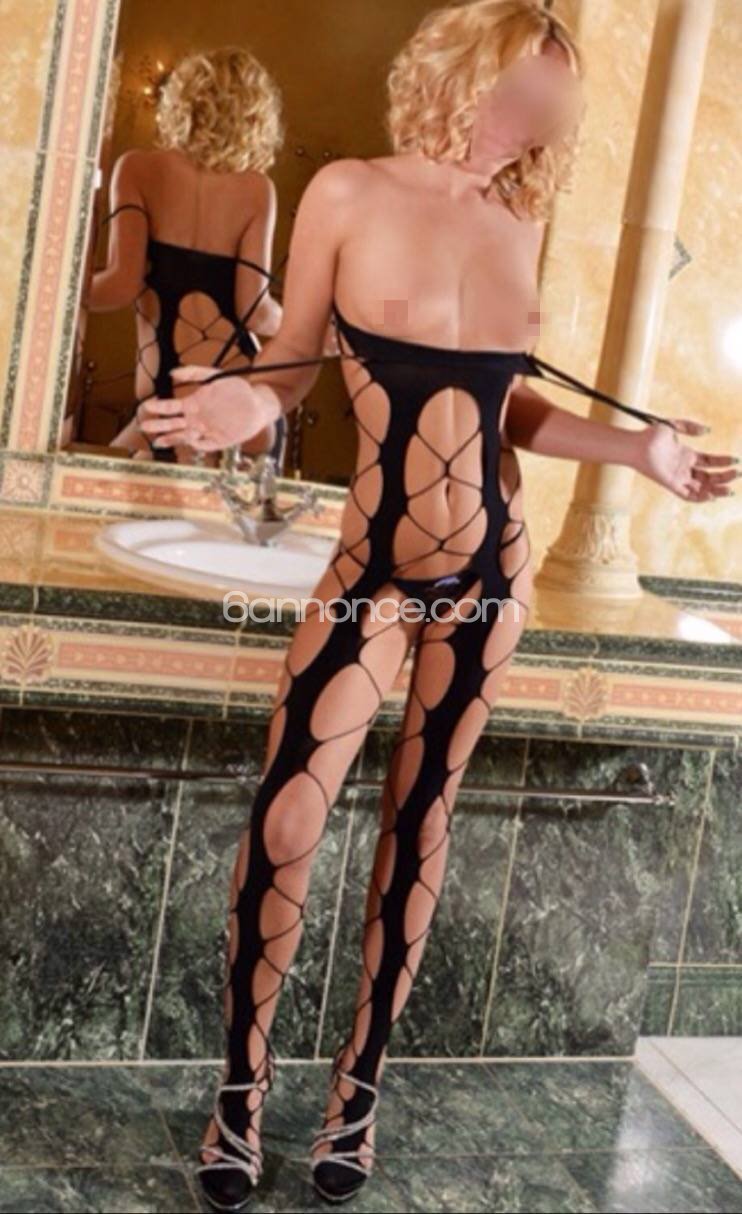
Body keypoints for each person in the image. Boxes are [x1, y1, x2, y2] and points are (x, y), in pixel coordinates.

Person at [139, 2, 737, 1208]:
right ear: (460, 71)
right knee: (289, 816)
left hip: (490, 573)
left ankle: (356, 1093)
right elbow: (294, 366)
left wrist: (639, 452)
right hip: (370, 571)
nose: (529, 119)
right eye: (516, 88)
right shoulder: (349, 192)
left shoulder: (520, 219)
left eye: (548, 103)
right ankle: (240, 1092)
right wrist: (239, 405)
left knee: (419, 826)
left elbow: (508, 406)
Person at [83, 45, 289, 466]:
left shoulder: (137, 169)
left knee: (91, 493)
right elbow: (255, 313)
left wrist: (53, 289)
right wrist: (304, 327)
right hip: (237, 393)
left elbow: (119, 286)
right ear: (256, 116)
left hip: (168, 398)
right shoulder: (256, 189)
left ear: (180, 101)